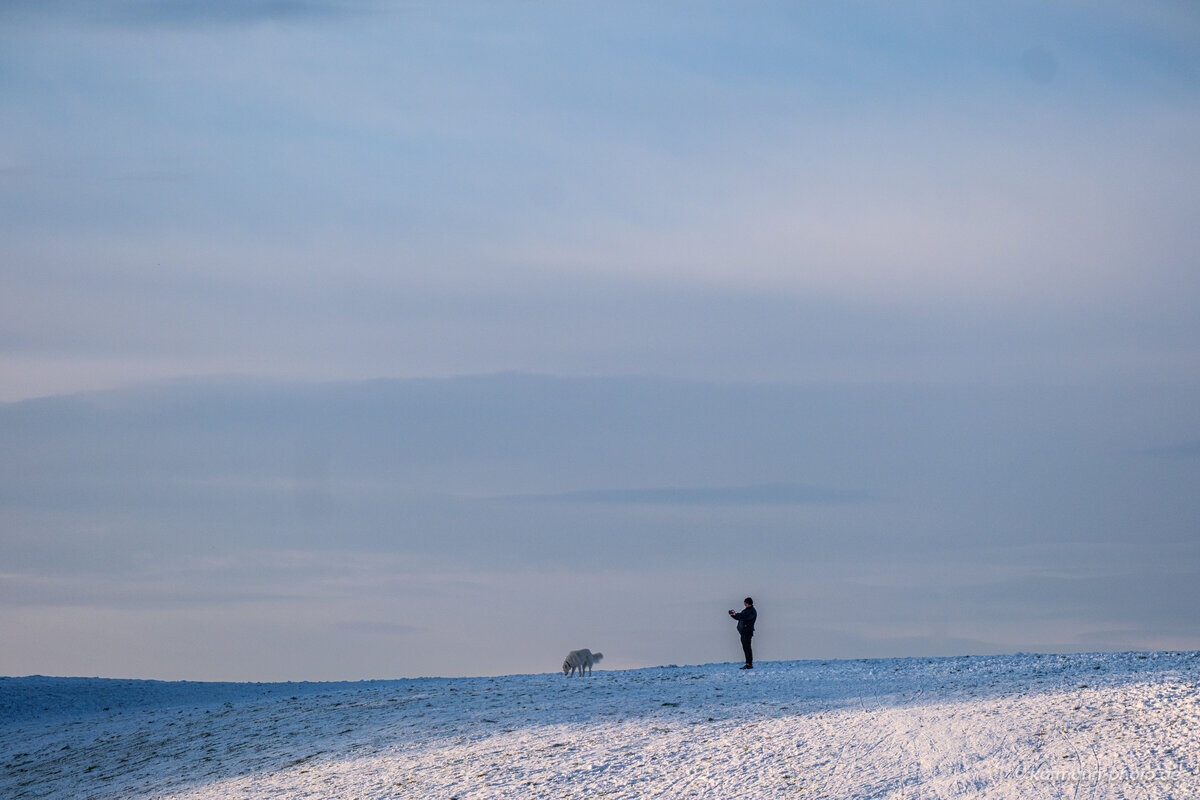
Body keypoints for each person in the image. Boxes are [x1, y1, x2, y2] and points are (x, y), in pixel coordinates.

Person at [728, 597, 757, 669]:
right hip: (743, 632)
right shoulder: (745, 611)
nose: (744, 604)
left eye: (745, 603)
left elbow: (745, 617)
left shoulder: (752, 611)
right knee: (745, 647)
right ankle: (748, 663)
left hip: (747, 632)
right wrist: (733, 615)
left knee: (747, 648)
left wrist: (736, 614)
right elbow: (740, 617)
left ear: (748, 603)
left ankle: (749, 663)